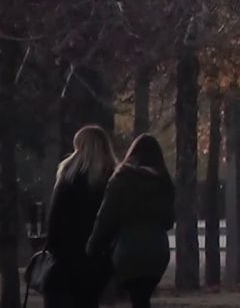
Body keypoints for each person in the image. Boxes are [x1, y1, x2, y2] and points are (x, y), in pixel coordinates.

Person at [87, 134, 176, 308]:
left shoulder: (121, 178)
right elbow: (168, 221)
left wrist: (92, 246)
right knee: (142, 297)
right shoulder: (163, 182)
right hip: (158, 251)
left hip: (128, 250)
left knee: (136, 296)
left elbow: (106, 217)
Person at [44, 125, 118, 308]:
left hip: (67, 258)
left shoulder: (68, 176)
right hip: (97, 258)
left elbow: (55, 221)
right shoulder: (112, 178)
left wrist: (53, 249)